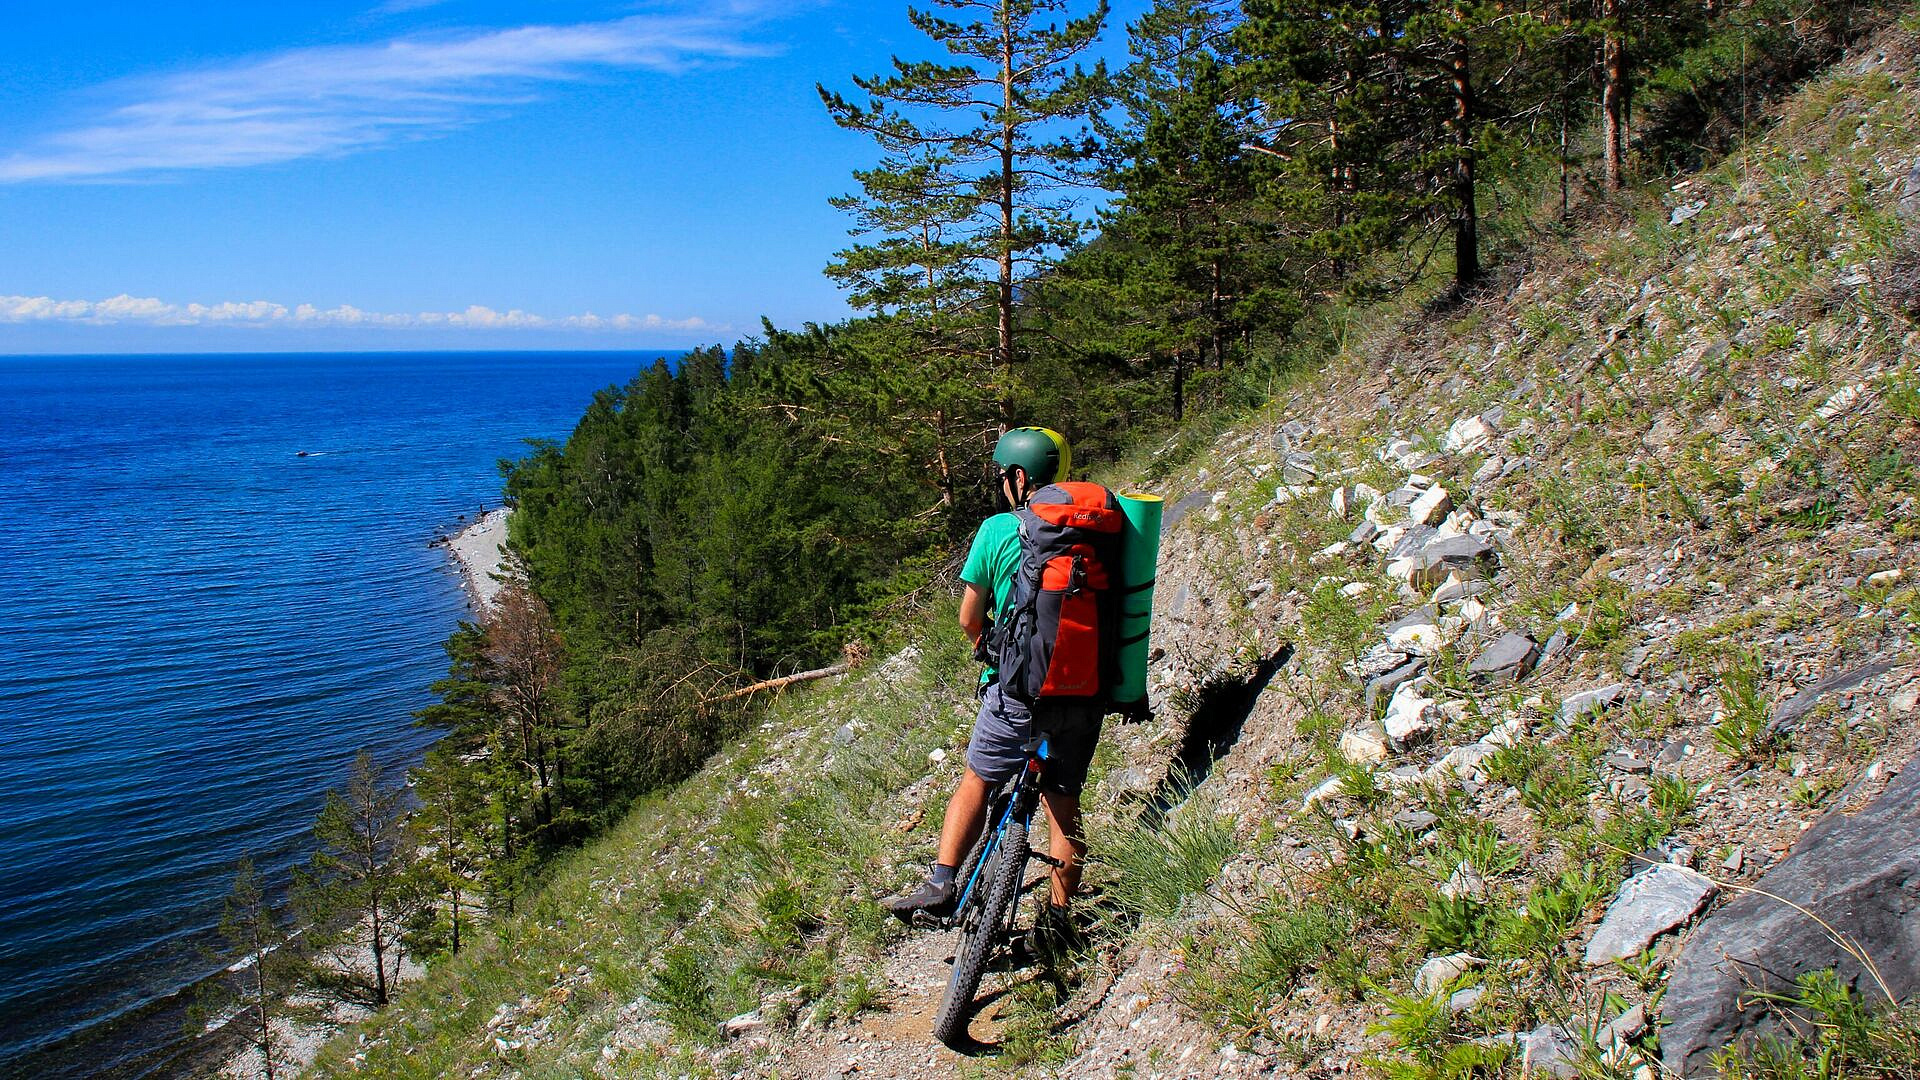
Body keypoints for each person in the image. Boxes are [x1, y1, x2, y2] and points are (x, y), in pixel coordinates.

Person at [881, 427, 1105, 935]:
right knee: (1063, 810)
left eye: (1006, 475)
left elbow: (967, 618)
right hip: (1085, 693)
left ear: (1020, 477)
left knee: (978, 778)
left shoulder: (997, 529)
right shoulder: (1097, 531)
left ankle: (941, 884)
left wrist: (990, 650)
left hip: (1019, 692)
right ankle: (1056, 921)